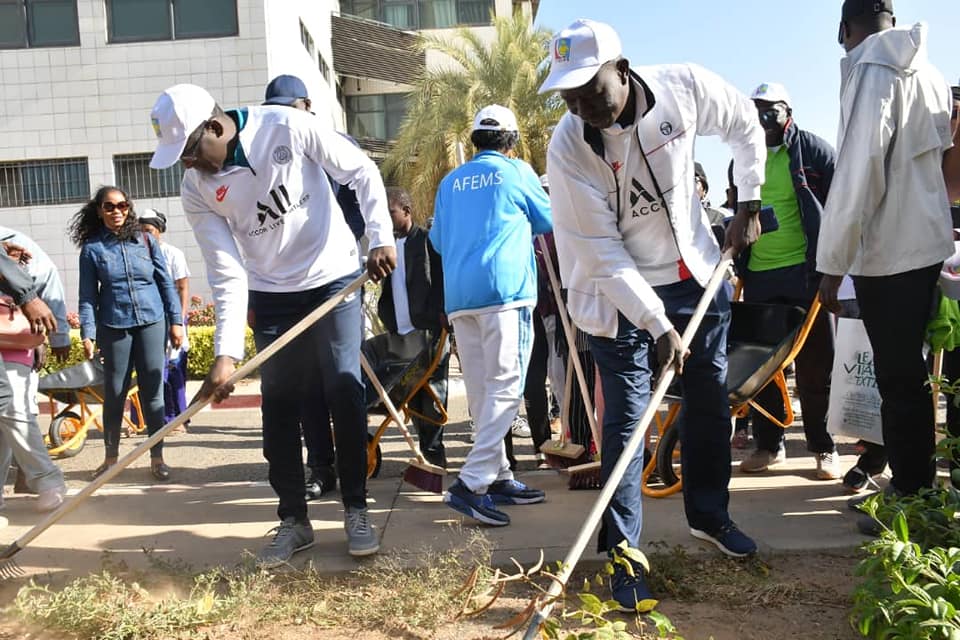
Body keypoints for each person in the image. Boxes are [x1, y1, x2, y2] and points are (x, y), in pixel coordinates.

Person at [540, 18, 766, 609]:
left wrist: (748, 202)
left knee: (709, 401)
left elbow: (744, 123)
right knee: (627, 424)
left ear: (623, 69)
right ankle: (625, 555)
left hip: (694, 275)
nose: (582, 108)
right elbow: (601, 253)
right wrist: (657, 323)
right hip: (618, 299)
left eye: (591, 90)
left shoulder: (683, 88)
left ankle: (710, 516)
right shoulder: (567, 147)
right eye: (568, 97)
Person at [148, 83, 396, 566]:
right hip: (273, 296)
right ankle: (294, 521)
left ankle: (356, 509)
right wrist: (226, 356)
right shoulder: (196, 189)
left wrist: (380, 237)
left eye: (191, 151)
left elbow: (361, 170)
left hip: (332, 278)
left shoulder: (286, 126)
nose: (188, 164)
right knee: (279, 403)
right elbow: (226, 271)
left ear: (215, 127)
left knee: (343, 387)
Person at [818, 0, 954, 532]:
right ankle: (913, 487)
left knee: (899, 380)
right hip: (923, 244)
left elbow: (859, 172)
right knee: (908, 377)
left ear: (844, 30)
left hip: (889, 252)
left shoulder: (872, 71)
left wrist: (833, 264)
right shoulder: (930, 73)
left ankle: (913, 497)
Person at [430, 104, 552, 526]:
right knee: (507, 387)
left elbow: (438, 241)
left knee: (483, 390)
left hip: (461, 296)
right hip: (505, 292)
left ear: (475, 141)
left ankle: (498, 473)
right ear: (511, 142)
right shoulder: (516, 172)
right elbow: (548, 219)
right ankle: (473, 481)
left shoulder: (450, 182)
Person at [263, 73, 363, 500]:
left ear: (307, 106)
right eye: (278, 109)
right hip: (289, 286)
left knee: (342, 379)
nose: (287, 115)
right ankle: (320, 466)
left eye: (292, 107)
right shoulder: (268, 149)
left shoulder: (335, 142)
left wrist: (347, 243)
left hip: (337, 279)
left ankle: (355, 477)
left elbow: (359, 197)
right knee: (306, 384)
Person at [734, 82, 839, 480]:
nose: (761, 119)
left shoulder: (813, 150)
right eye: (755, 110)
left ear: (787, 112)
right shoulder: (744, 157)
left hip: (805, 271)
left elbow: (838, 204)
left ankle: (823, 446)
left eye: (769, 111)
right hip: (760, 274)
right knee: (763, 367)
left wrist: (833, 264)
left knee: (815, 365)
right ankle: (768, 444)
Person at [71, 186, 184, 482]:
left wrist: (176, 321)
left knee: (153, 392)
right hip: (114, 326)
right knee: (115, 392)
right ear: (99, 211)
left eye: (122, 205)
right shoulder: (93, 249)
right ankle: (111, 459)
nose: (116, 211)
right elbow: (87, 296)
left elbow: (166, 283)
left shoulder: (146, 240)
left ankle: (157, 457)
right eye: (109, 207)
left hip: (152, 321)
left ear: (128, 208)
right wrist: (87, 332)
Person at [370, 186, 448, 468]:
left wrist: (441, 313)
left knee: (433, 395)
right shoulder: (387, 247)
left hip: (429, 331)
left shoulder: (426, 241)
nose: (386, 219)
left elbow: (441, 278)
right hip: (400, 334)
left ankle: (435, 456)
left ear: (406, 211)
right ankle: (426, 455)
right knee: (412, 397)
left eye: (390, 212)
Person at [0, 227, 70, 512]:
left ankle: (47, 480)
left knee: (12, 408)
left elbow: (47, 280)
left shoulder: (13, 238)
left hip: (14, 337)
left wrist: (56, 334)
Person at [138, 210, 192, 431]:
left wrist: (179, 320)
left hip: (172, 318)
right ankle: (145, 420)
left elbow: (182, 287)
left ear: (159, 230)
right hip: (148, 318)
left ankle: (177, 419)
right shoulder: (136, 253)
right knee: (149, 369)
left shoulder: (173, 254)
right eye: (141, 231)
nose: (145, 236)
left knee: (173, 369)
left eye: (149, 231)